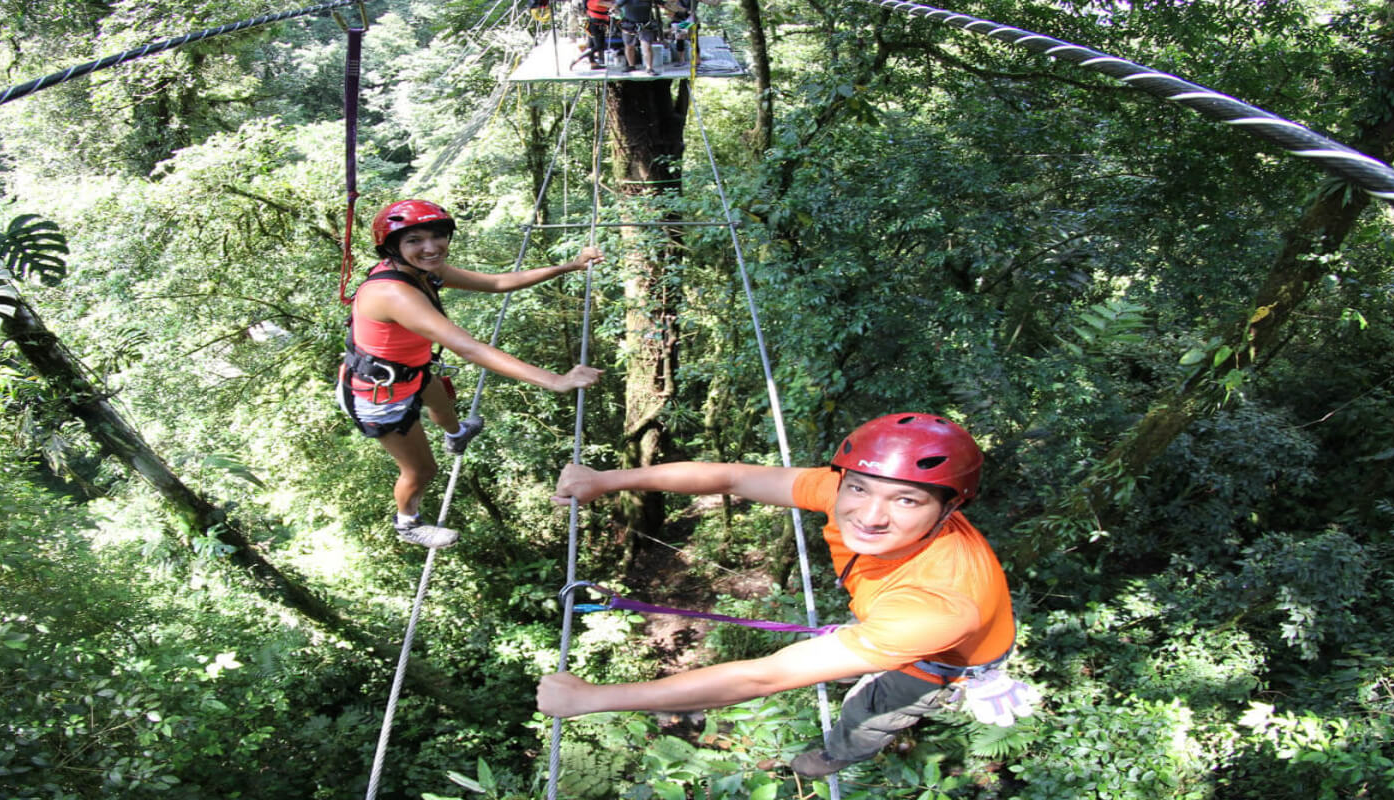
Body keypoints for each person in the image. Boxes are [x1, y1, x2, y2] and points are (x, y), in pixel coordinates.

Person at [539, 413, 1023, 777]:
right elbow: (732, 478)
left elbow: (761, 677)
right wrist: (608, 481)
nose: (870, 515)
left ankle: (838, 754)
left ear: (948, 506)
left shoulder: (934, 609)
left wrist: (594, 698)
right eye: (859, 488)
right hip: (897, 618)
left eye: (905, 500)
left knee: (865, 710)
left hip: (943, 654)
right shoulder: (842, 493)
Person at [339, 199, 604, 548]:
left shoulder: (422, 271)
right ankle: (407, 524)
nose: (431, 247)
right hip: (380, 397)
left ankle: (456, 433)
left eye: (437, 236)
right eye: (414, 240)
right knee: (422, 471)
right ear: (393, 248)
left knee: (443, 402)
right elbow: (470, 348)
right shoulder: (393, 292)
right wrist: (555, 380)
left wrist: (569, 266)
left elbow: (496, 283)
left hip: (412, 373)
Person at [611, 0, 660, 75]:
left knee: (647, 46)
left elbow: (662, 3)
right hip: (629, 24)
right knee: (629, 46)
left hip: (646, 24)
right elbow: (616, 5)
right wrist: (613, 10)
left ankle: (649, 68)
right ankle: (631, 65)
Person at [583, 0, 614, 70]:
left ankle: (593, 64)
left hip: (597, 25)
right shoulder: (594, 1)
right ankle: (579, 58)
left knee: (592, 46)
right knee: (599, 46)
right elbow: (610, 4)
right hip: (596, 26)